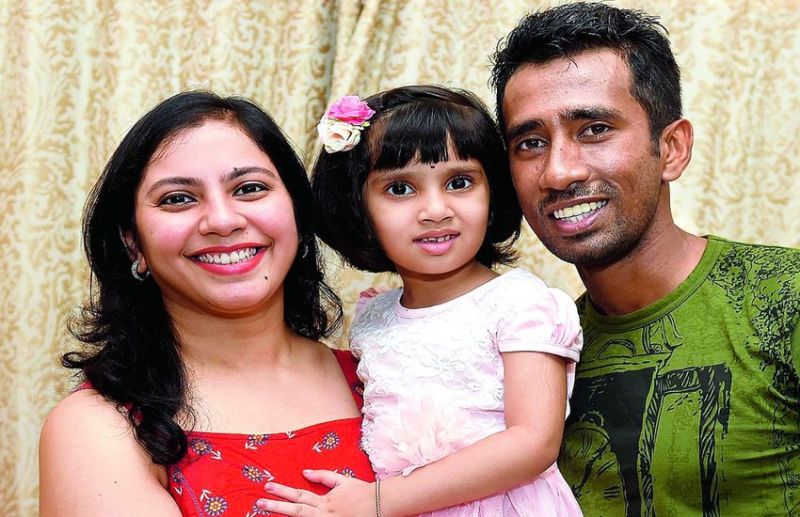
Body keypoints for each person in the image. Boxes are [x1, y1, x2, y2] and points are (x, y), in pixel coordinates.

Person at [490, 2, 800, 515]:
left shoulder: (784, 296)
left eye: (594, 129)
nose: (559, 171)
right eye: (531, 142)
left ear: (672, 149)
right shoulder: (539, 350)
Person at [38, 91, 375, 516]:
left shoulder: (382, 382)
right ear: (133, 242)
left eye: (249, 188)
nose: (222, 220)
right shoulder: (97, 429)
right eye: (178, 198)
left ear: (297, 214)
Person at [256, 85, 583, 516]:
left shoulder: (521, 303)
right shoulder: (372, 318)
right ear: (359, 209)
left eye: (459, 182)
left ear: (494, 194)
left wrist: (378, 501)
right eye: (400, 189)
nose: (435, 210)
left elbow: (533, 442)